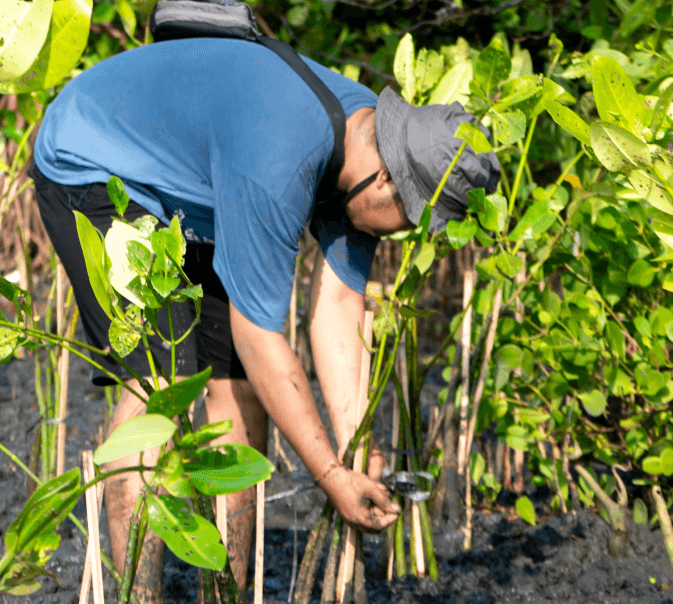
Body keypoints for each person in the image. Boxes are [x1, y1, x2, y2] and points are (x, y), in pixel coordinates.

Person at [30, 36, 500, 603]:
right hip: (97, 164)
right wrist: (328, 476)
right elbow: (260, 336)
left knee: (240, 387)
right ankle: (139, 595)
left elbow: (337, 308)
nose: (403, 234)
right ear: (385, 181)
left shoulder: (369, 141)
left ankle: (223, 590)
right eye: (409, 217)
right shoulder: (281, 157)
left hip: (196, 188)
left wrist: (353, 450)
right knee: (163, 383)